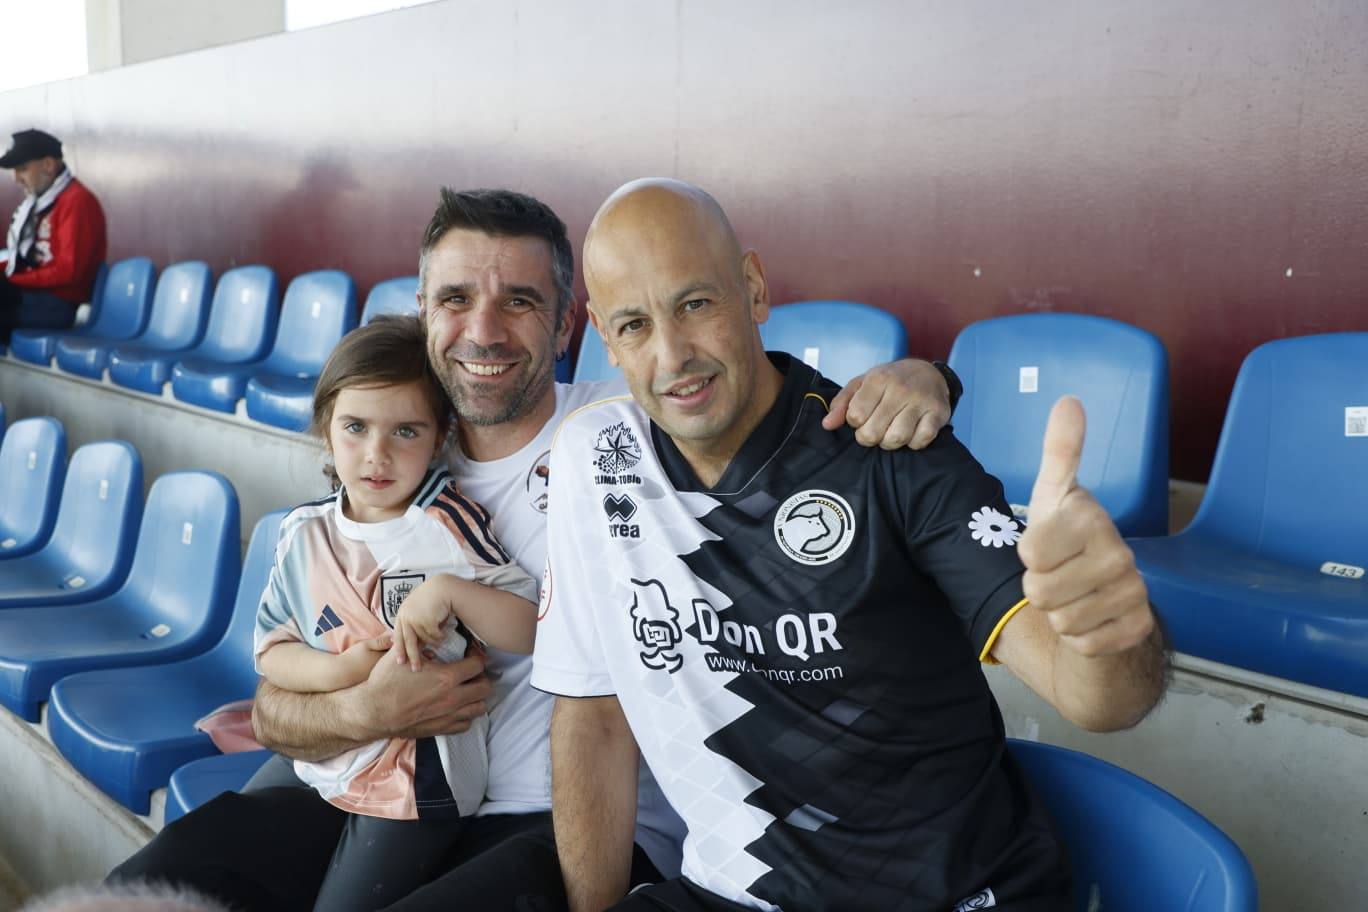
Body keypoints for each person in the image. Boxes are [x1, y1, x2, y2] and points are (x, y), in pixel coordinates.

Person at [110, 188, 961, 911]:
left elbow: (781, 404)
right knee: (136, 891)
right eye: (455, 300)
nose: (483, 330)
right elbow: (271, 707)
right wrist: (364, 712)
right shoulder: (386, 455)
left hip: (561, 824)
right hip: (370, 783)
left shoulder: (635, 426)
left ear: (569, 324)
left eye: (518, 300)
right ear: (422, 310)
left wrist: (927, 378)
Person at [531, 178, 1168, 912]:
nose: (673, 355)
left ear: (754, 288)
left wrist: (1110, 630)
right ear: (604, 339)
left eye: (696, 304)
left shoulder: (891, 453)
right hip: (728, 895)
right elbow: (593, 712)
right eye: (635, 325)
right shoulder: (596, 459)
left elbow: (1099, 699)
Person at [251, 316, 540, 911]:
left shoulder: (448, 522)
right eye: (355, 427)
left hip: (419, 786)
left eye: (405, 431)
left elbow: (533, 626)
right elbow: (272, 651)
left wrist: (451, 594)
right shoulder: (302, 533)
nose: (376, 455)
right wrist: (344, 672)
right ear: (325, 428)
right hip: (324, 759)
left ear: (439, 439)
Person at [0, 129, 107, 343]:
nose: (16, 179)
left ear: (48, 165)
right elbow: (21, 259)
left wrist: (11, 280)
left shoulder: (77, 201)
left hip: (57, 306)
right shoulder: (40, 203)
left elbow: (68, 271)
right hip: (31, 297)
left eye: (22, 169)